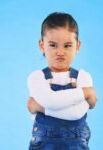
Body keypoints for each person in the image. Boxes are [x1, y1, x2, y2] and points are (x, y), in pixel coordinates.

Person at [27, 12, 97, 150]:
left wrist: (41, 108)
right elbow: (51, 101)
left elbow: (77, 113)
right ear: (42, 45)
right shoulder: (36, 77)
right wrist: (85, 92)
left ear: (77, 45)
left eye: (67, 45)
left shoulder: (83, 77)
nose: (60, 52)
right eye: (53, 45)